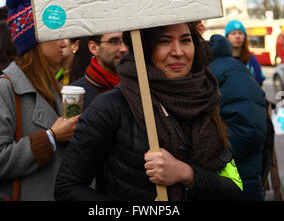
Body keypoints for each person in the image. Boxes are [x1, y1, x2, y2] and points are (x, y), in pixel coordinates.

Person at [54, 22, 243, 201]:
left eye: (185, 40)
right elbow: (67, 187)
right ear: (144, 48)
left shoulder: (206, 100)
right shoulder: (110, 107)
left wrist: (186, 173)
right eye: (164, 41)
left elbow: (234, 189)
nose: (178, 52)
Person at [0, 0, 79, 201]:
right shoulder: (3, 89)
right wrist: (51, 138)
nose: (64, 42)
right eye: (54, 36)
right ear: (34, 44)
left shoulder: (52, 85)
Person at [207, 34, 268, 201]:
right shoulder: (236, 67)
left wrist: (217, 157)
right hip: (246, 167)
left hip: (237, 170)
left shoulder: (216, 71)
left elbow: (248, 128)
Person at [71, 32, 128, 107]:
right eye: (114, 42)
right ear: (94, 48)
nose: (123, 49)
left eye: (126, 41)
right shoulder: (75, 93)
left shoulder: (139, 84)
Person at [225, 19, 265, 86]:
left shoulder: (251, 59)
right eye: (233, 33)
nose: (237, 36)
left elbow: (259, 82)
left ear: (245, 37)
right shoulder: (222, 60)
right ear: (227, 37)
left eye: (240, 33)